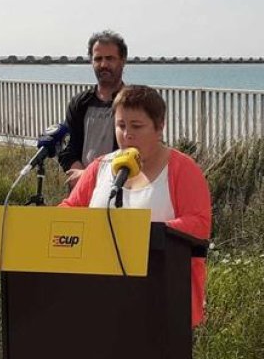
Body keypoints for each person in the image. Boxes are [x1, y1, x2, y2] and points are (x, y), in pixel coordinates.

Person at [59, 85, 212, 327]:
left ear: (159, 126)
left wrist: (141, 233)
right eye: (120, 126)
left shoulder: (183, 169)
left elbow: (199, 224)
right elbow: (69, 211)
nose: (127, 135)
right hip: (101, 297)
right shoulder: (99, 167)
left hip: (162, 299)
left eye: (136, 126)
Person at [56, 30, 128, 188]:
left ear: (123, 60)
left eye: (110, 58)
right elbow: (67, 149)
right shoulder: (80, 103)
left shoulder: (133, 103)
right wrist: (84, 179)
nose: (103, 65)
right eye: (98, 59)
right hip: (82, 191)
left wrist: (96, 177)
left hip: (121, 190)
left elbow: (142, 150)